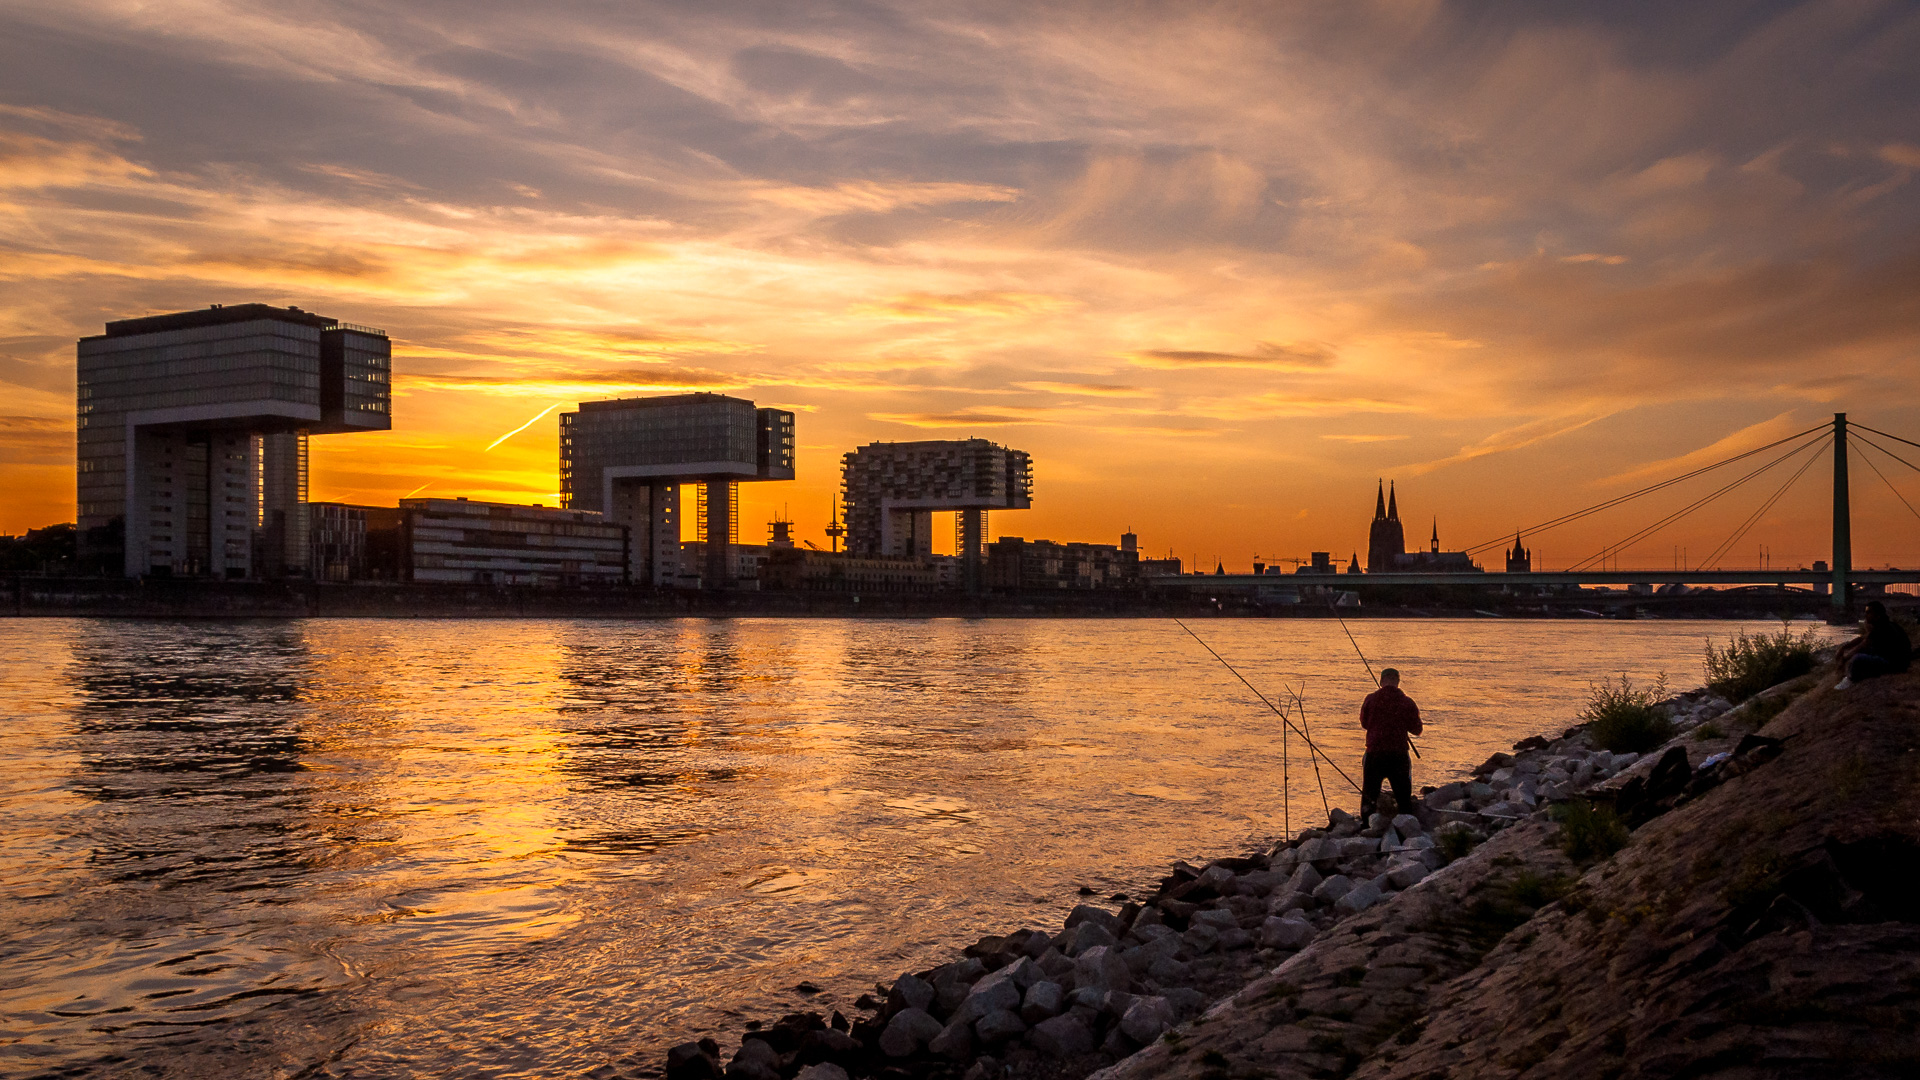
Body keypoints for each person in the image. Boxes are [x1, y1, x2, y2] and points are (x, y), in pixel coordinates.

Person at [1359, 667, 1423, 823]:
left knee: (1369, 793)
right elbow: (1417, 730)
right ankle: (1406, 825)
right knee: (1403, 796)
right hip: (1398, 754)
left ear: (1381, 682)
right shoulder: (1407, 702)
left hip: (1375, 754)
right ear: (1398, 682)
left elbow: (1364, 723)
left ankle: (1367, 825)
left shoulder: (1370, 699)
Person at [1834, 601, 1912, 690]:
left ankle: (1850, 680)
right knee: (1865, 654)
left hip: (1894, 665)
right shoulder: (1886, 625)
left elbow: (1863, 645)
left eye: (1868, 612)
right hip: (1898, 663)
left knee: (1857, 658)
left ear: (1877, 614)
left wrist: (1844, 659)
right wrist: (1843, 647)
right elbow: (1863, 638)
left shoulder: (1883, 628)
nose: (1865, 615)